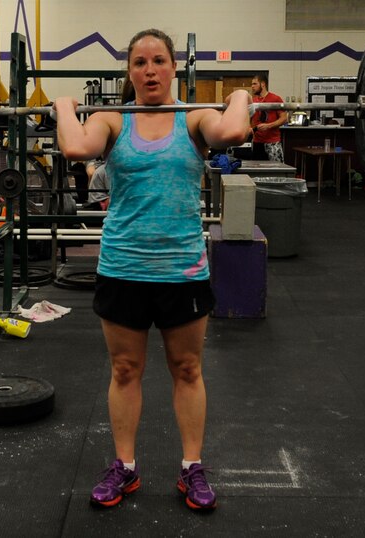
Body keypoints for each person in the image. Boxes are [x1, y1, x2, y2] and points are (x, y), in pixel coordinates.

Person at [53, 28, 251, 510]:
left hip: (182, 269)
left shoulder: (194, 117)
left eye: (158, 61)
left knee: (187, 368)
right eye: (139, 62)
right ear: (129, 72)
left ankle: (191, 469)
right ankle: (124, 467)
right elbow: (77, 148)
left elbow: (234, 131)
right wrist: (63, 107)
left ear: (174, 67)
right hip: (123, 267)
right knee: (125, 370)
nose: (149, 70)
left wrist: (242, 94)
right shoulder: (112, 120)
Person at [249, 74, 287, 162]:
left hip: (272, 143)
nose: (252, 86)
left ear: (263, 84)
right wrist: (249, 128)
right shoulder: (253, 101)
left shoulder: (275, 99)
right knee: (256, 171)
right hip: (257, 142)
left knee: (276, 171)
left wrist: (268, 126)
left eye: (255, 84)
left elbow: (284, 118)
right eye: (252, 84)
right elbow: (249, 118)